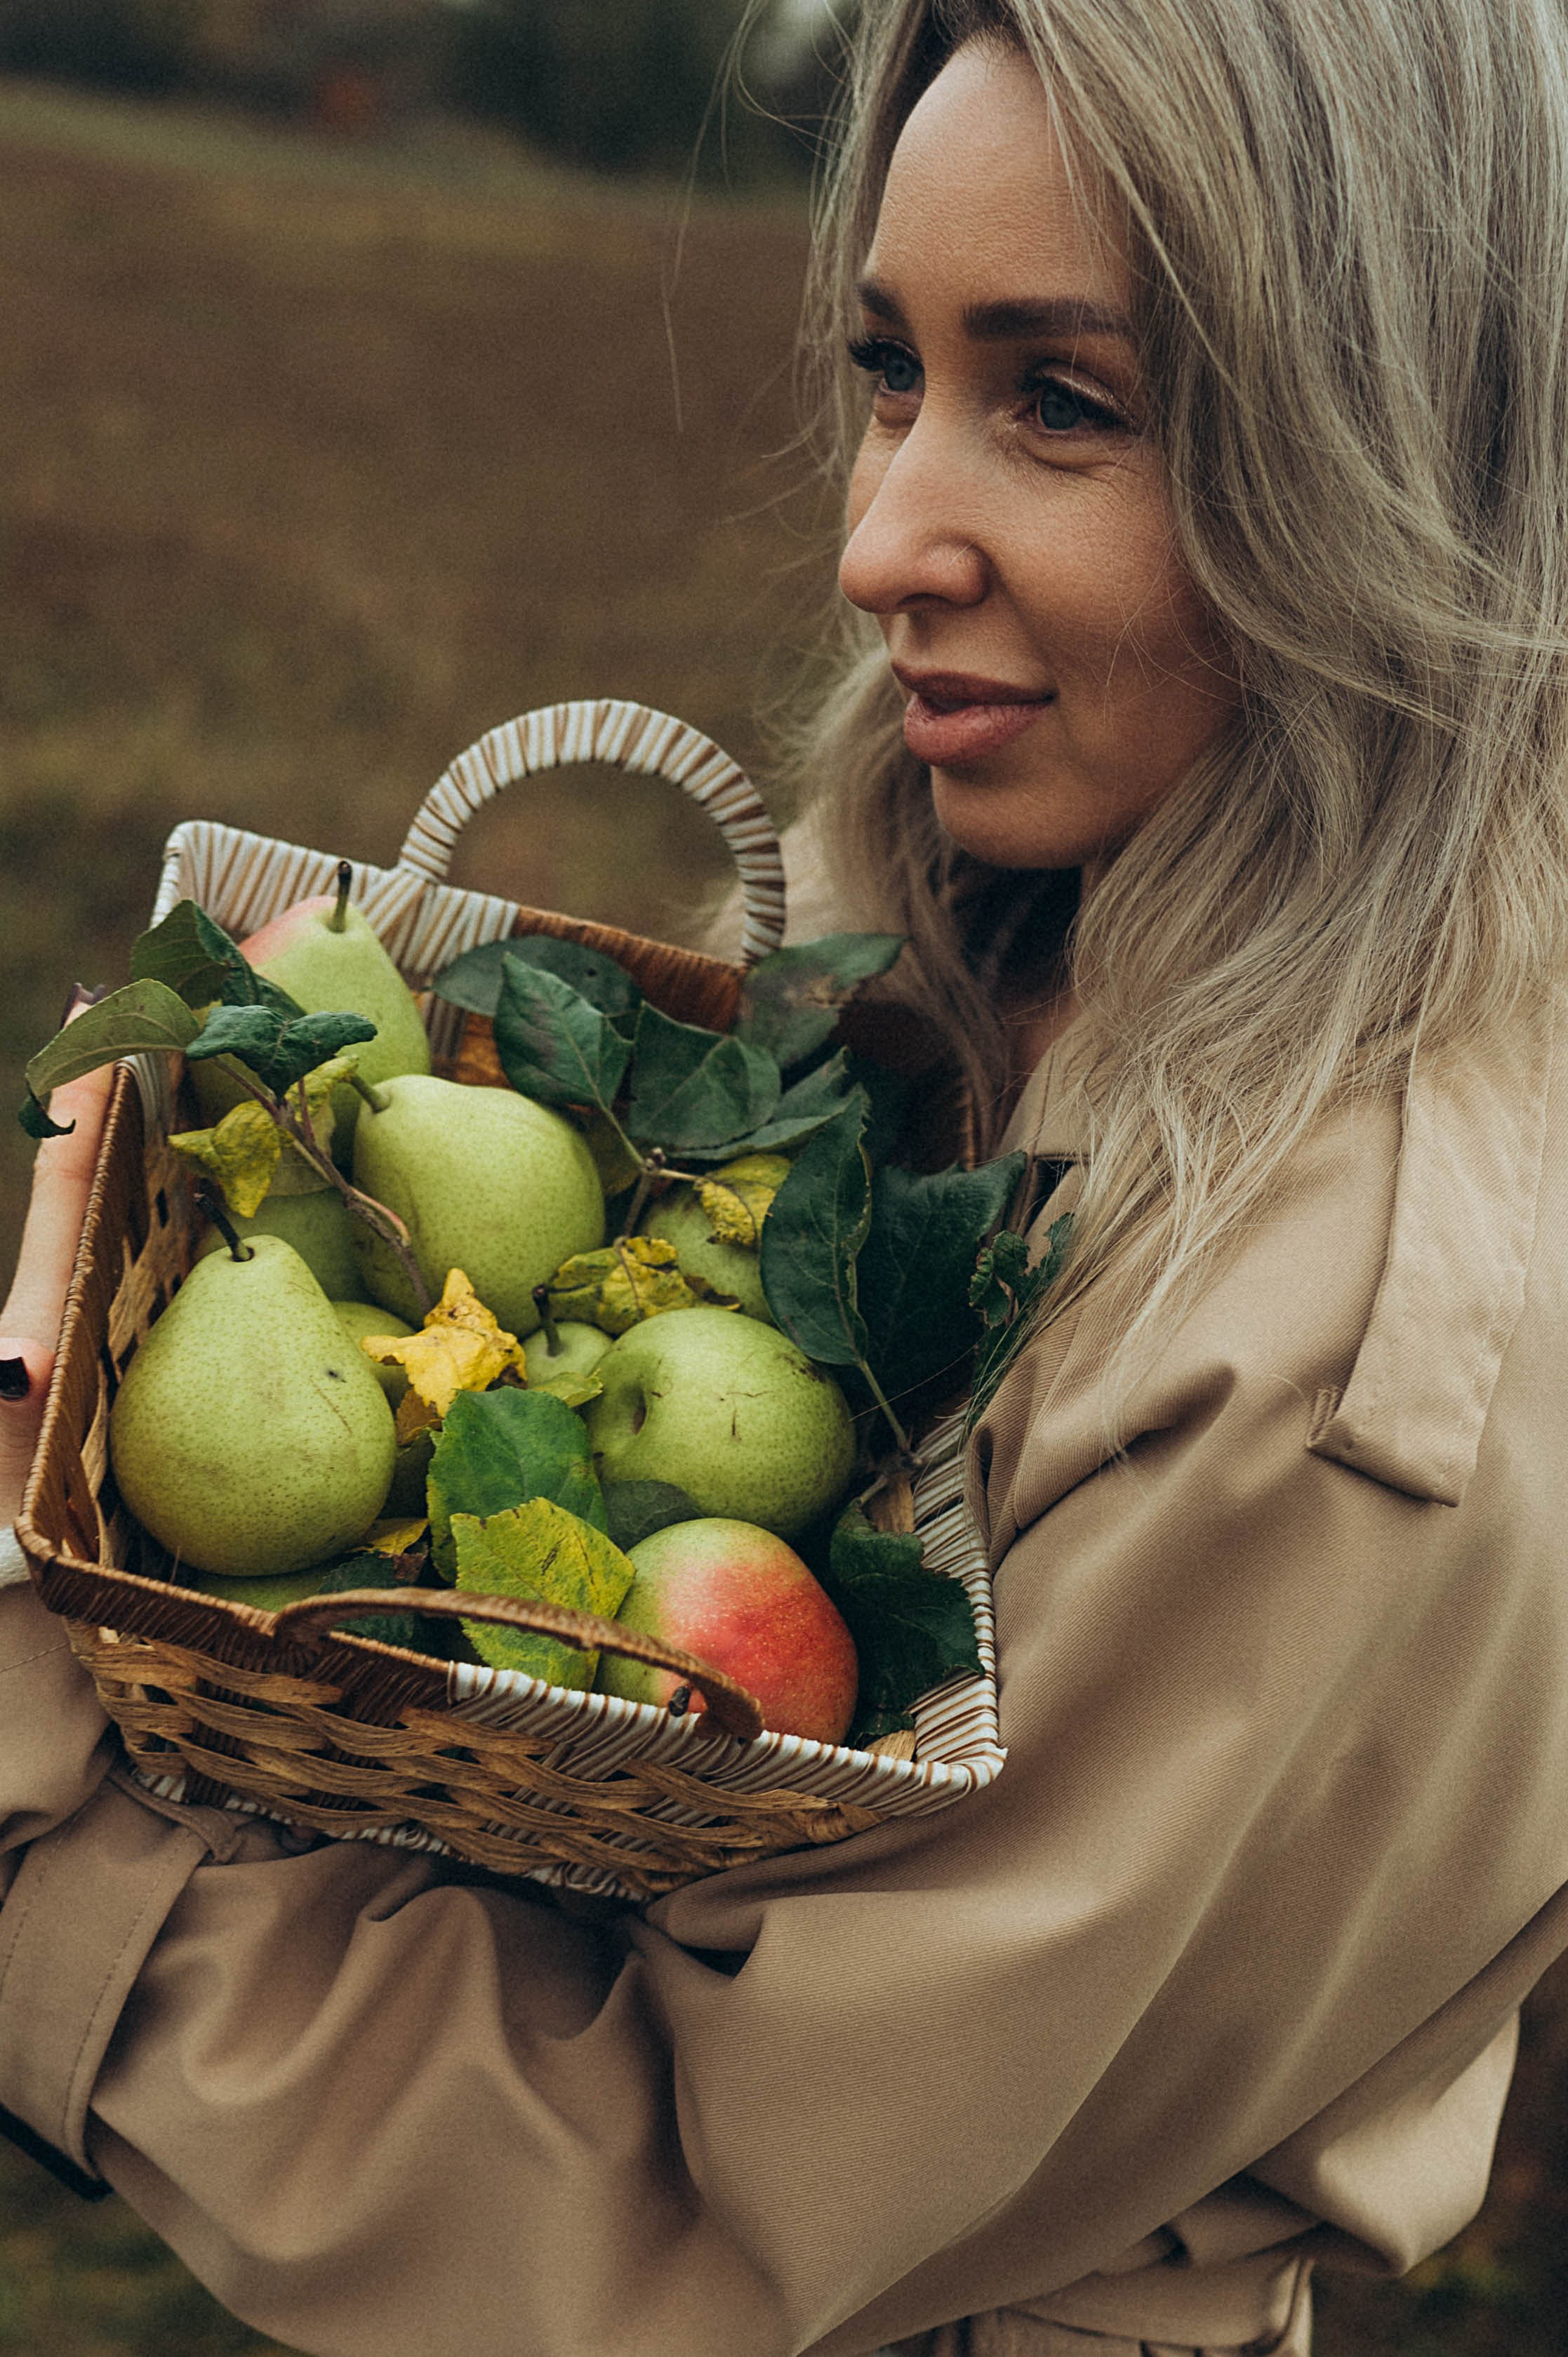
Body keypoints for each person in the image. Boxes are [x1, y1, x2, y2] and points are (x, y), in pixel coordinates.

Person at [5, 1, 1568, 2351]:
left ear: (1390, 455)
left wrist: (42, 1806)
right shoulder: (1047, 942)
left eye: (1060, 398)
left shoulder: (1339, 1387)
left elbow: (681, 2243)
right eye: (887, 370)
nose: (873, 540)